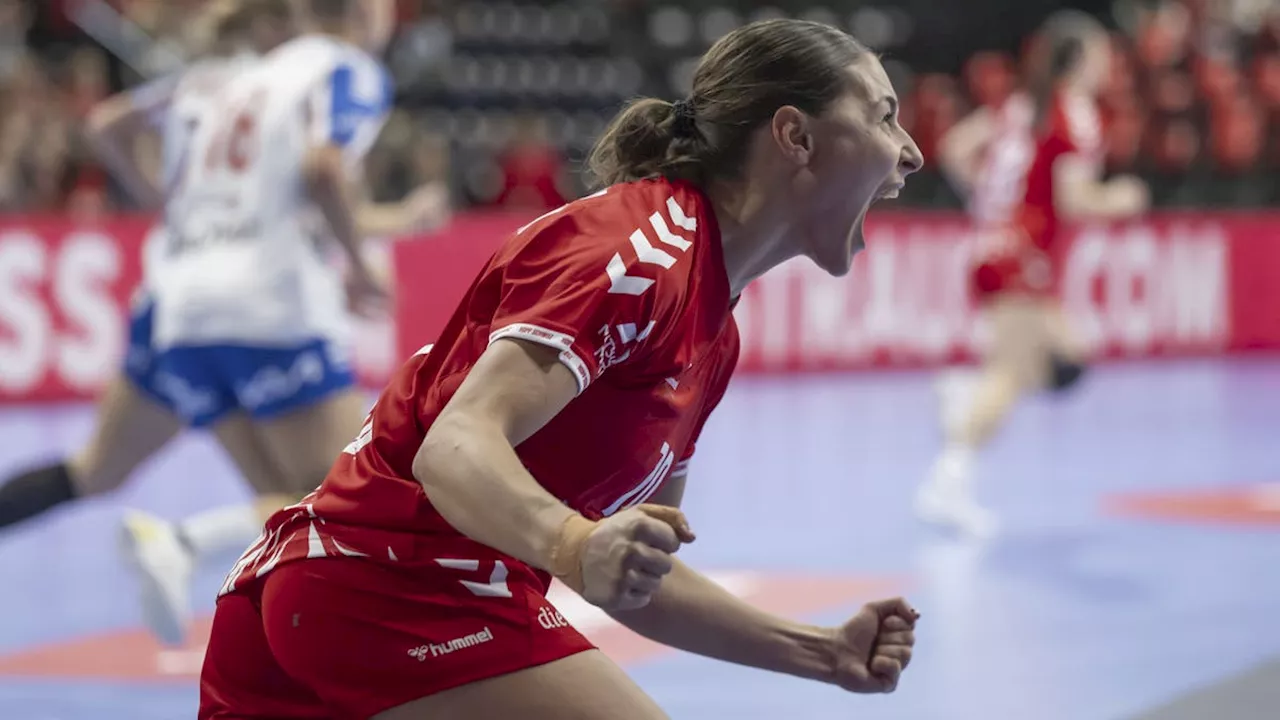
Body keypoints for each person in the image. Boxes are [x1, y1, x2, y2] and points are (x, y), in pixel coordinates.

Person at [200, 17, 923, 720]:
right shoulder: (644, 253)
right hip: (386, 591)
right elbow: (453, 449)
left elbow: (638, 577)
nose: (911, 152)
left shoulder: (711, 328)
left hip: (339, 602)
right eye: (884, 116)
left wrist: (822, 651)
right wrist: (572, 544)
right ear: (795, 136)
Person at [916, 11, 1150, 538]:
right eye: (1100, 55)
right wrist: (1124, 198)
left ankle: (963, 390)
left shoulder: (1019, 106)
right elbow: (1076, 199)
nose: (1108, 66)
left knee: (1069, 356)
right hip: (1022, 258)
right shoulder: (1076, 114)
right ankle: (946, 483)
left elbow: (955, 148)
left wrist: (990, 207)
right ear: (1079, 62)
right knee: (1013, 372)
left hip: (993, 248)